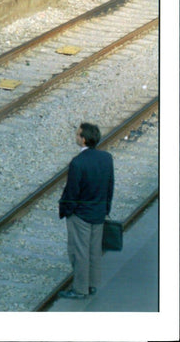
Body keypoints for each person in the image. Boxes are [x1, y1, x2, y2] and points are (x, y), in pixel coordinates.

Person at [58, 123, 115, 299]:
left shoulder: (77, 162)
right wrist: (106, 208)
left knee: (79, 251)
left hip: (81, 214)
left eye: (77, 134)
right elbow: (110, 185)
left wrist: (66, 210)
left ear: (83, 139)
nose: (76, 137)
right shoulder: (106, 158)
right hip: (98, 212)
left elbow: (72, 191)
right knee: (94, 250)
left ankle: (80, 289)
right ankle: (92, 284)